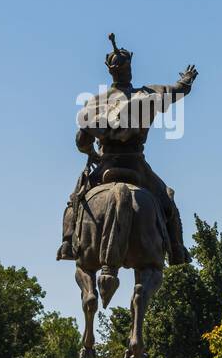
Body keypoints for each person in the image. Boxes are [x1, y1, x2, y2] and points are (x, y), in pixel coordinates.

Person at [57, 34, 197, 266]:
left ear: (110, 72)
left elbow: (82, 141)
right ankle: (176, 251)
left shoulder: (95, 102)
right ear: (129, 69)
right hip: (136, 166)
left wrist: (92, 154)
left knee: (75, 200)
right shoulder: (147, 94)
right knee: (166, 200)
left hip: (105, 166)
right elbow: (179, 91)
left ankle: (67, 242)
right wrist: (186, 79)